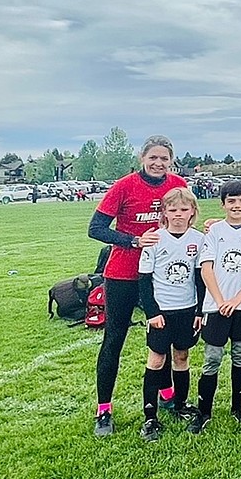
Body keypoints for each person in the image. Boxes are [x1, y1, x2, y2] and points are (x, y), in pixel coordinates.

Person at [88, 136, 187, 437]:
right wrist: (132, 241)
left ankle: (167, 395)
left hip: (162, 275)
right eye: (153, 157)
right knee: (114, 340)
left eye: (164, 158)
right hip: (123, 275)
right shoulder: (124, 186)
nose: (158, 163)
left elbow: (185, 217)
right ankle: (104, 410)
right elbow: (96, 228)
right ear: (142, 157)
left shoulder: (178, 184)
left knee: (164, 333)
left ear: (171, 160)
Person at [190, 179, 241, 434]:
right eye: (231, 201)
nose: (237, 206)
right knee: (212, 358)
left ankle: (238, 407)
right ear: (222, 204)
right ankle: (204, 412)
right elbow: (206, 267)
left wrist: (236, 300)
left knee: (240, 355)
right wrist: (221, 300)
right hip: (216, 305)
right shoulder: (213, 232)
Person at [136, 187, 205, 441]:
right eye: (172, 209)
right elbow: (144, 281)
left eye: (184, 210)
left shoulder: (198, 240)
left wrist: (199, 310)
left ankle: (180, 404)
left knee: (182, 356)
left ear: (192, 212)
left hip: (186, 310)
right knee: (156, 360)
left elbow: (200, 279)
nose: (178, 214)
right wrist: (152, 312)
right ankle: (150, 417)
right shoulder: (154, 239)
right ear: (164, 212)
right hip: (161, 312)